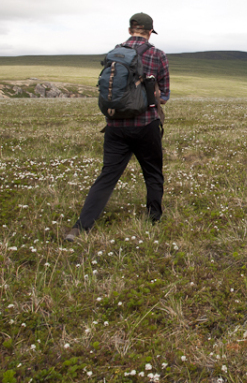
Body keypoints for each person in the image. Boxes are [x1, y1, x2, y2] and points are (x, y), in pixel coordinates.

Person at [65, 12, 170, 242]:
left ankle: (80, 227)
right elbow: (164, 97)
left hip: (115, 126)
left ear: (130, 29)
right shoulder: (157, 55)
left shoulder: (114, 53)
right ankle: (153, 221)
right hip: (145, 125)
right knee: (152, 173)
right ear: (150, 31)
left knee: (107, 177)